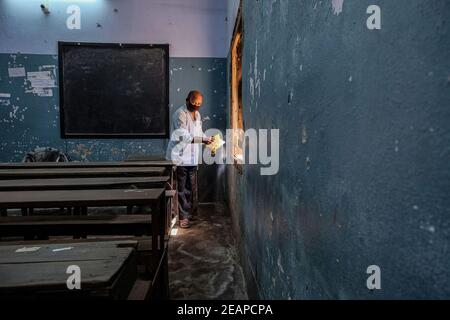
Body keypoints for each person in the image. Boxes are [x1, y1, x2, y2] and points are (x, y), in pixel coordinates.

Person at [166, 90, 214, 228]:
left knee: (191, 187)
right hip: (180, 156)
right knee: (181, 188)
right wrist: (203, 140)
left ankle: (189, 212)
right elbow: (184, 137)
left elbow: (198, 133)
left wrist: (208, 140)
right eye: (194, 103)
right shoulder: (179, 114)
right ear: (187, 100)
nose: (196, 106)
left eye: (199, 104)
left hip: (192, 157)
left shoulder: (197, 114)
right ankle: (182, 217)